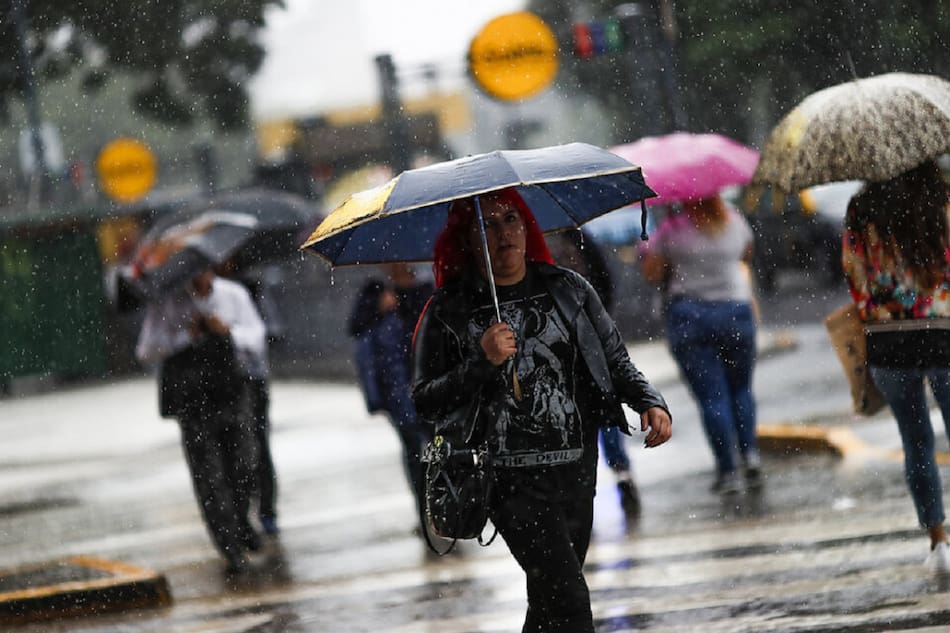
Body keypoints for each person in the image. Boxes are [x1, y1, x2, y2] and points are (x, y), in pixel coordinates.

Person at [411, 187, 672, 632]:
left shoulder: (569, 290)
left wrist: (649, 400)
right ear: (469, 239)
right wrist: (480, 362)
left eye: (510, 220)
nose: (502, 233)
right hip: (507, 479)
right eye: (487, 225)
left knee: (550, 599)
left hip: (575, 468)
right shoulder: (447, 310)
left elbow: (614, 359)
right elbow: (424, 399)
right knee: (569, 598)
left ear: (526, 226)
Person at [841, 160, 950, 574]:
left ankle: (938, 542)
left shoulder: (862, 207)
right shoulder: (942, 198)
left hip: (889, 337)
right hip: (944, 328)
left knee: (916, 441)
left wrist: (872, 305)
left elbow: (853, 270)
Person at [135, 268, 267, 574]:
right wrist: (185, 336)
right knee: (209, 478)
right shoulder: (168, 302)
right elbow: (146, 349)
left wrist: (227, 331)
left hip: (232, 390)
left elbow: (256, 338)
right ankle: (229, 546)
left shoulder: (233, 295)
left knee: (245, 463)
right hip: (192, 399)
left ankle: (241, 519)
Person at [640, 195, 760, 495]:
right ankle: (750, 454)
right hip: (735, 310)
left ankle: (728, 471)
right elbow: (746, 254)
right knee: (741, 390)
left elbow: (652, 274)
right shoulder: (734, 221)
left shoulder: (671, 230)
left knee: (712, 398)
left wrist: (661, 254)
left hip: (691, 317)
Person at [548, 229, 641, 518]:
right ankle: (614, 474)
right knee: (596, 408)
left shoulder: (555, 240)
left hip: (568, 341)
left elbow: (602, 281)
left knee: (586, 411)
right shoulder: (573, 235)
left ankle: (612, 474)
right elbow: (604, 281)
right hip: (569, 341)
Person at [349, 278, 431, 536]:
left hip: (420, 397)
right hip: (403, 402)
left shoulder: (413, 303)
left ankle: (435, 509)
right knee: (418, 456)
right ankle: (426, 510)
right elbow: (371, 363)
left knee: (428, 455)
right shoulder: (377, 320)